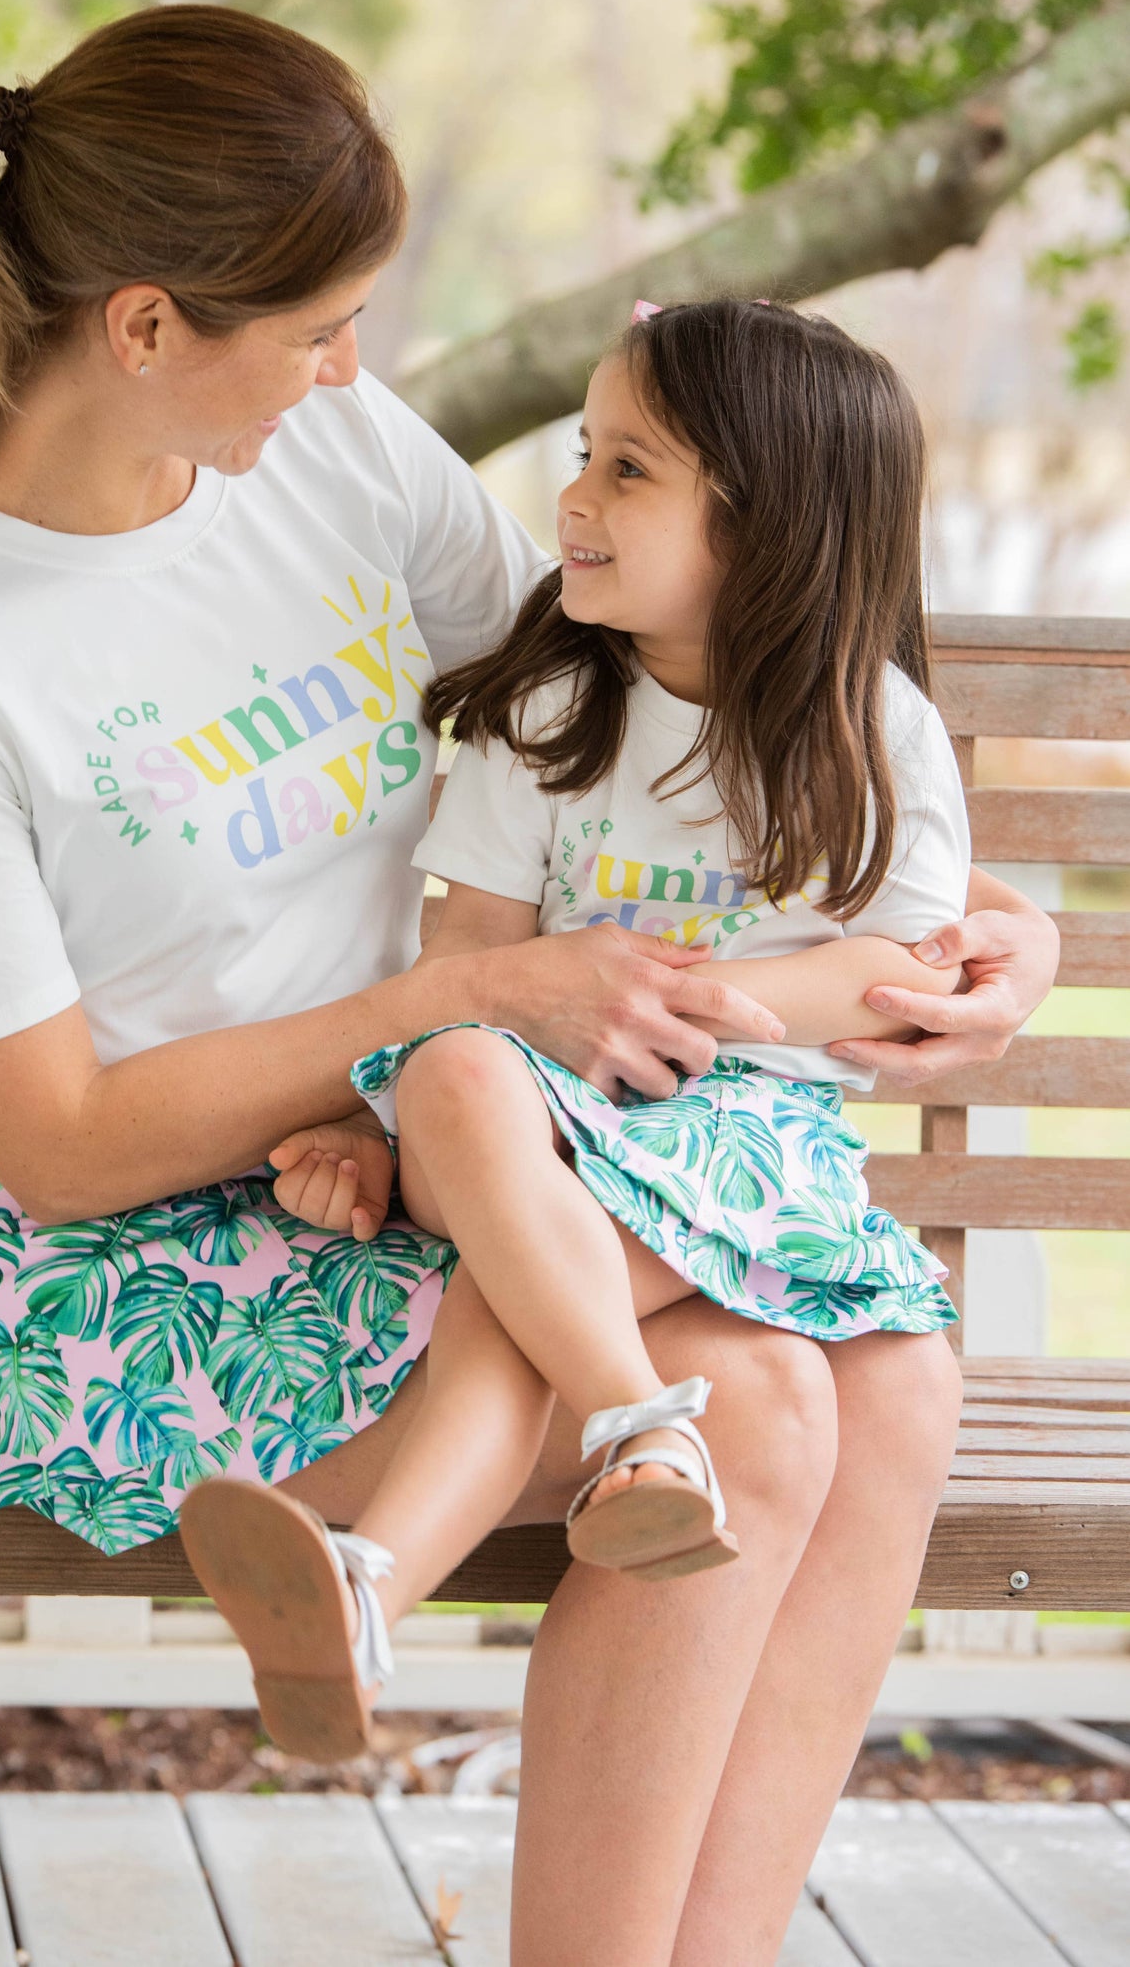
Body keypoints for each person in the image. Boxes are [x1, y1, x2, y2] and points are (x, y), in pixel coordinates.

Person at [0, 5, 1059, 1967]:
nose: (352, 369)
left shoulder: (327, 452)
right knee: (765, 1411)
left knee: (894, 1381)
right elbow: (52, 1146)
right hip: (123, 1261)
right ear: (142, 329)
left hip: (428, 1165)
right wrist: (453, 1018)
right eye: (312, 329)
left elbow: (641, 697)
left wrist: (970, 937)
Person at [177, 298, 972, 1771]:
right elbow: (469, 957)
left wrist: (719, 1006)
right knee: (461, 1059)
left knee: (517, 1302)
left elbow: (895, 968)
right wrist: (384, 1120)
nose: (574, 498)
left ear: (768, 524)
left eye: (628, 468)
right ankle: (636, 1426)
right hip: (532, 1128)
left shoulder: (871, 729)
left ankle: (370, 1583)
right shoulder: (553, 708)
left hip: (749, 1145)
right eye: (584, 453)